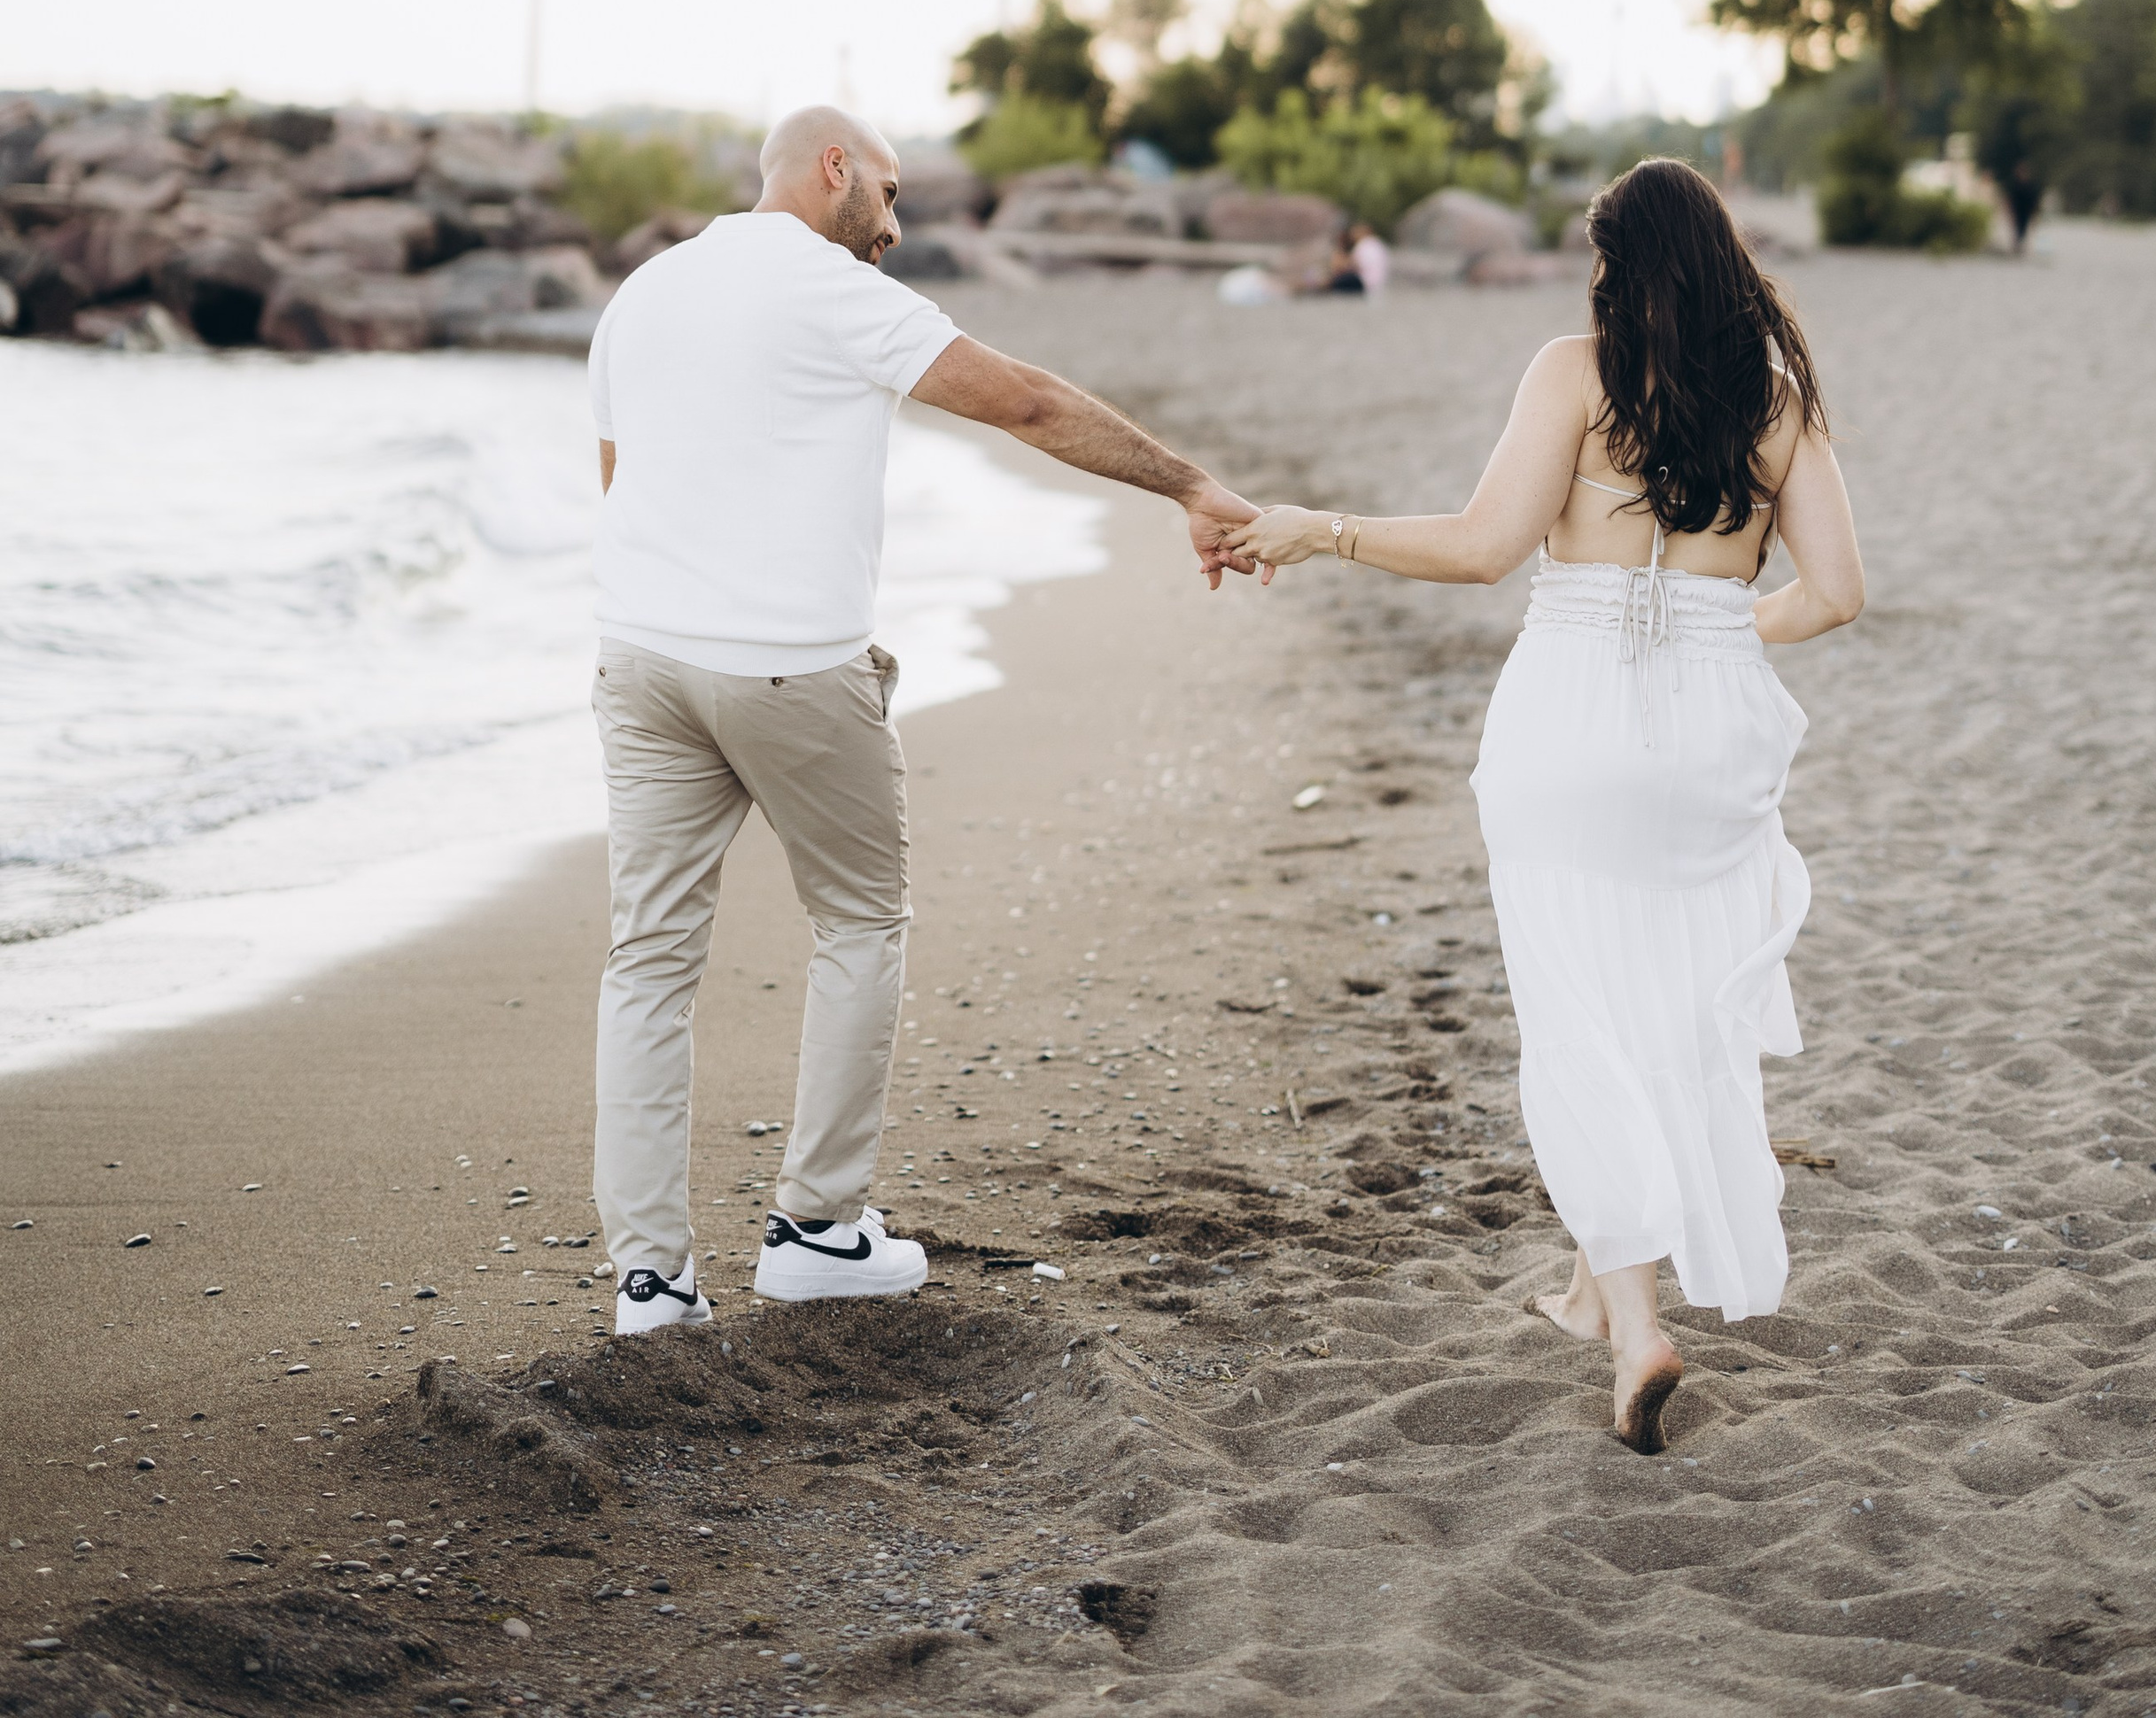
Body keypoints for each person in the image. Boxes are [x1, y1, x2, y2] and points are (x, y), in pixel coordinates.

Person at [586, 104, 1256, 1333]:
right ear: (831, 169)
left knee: (649, 962)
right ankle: (817, 1231)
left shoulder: (646, 291)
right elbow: (1027, 403)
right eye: (887, 196)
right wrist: (1190, 485)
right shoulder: (829, 286)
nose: (892, 227)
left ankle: (651, 1282)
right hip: (790, 668)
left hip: (639, 663)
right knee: (858, 918)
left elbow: (622, 480)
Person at [1236, 157, 1864, 1452]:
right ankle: (1593, 1290)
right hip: (1712, 726)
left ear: (1617, 264)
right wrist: (1730, 630)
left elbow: (1481, 548)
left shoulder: (1577, 372)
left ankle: (1636, 1330)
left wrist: (1322, 528)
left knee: (1580, 1010)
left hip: (1573, 716)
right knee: (1674, 1001)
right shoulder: (1778, 397)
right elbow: (1840, 592)